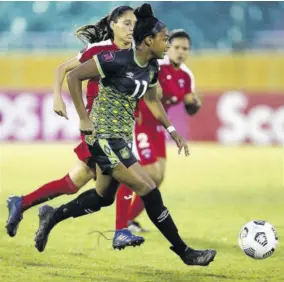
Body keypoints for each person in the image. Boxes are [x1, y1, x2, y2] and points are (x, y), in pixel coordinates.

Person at [34, 3, 216, 266]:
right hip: (101, 138)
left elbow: (153, 100)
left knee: (102, 198)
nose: (167, 44)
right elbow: (73, 76)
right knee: (148, 188)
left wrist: (172, 130)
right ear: (148, 40)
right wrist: (84, 119)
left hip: (121, 139)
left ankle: (52, 215)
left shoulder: (152, 67)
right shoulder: (114, 59)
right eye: (164, 39)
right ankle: (184, 252)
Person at [6, 5, 144, 249]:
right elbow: (63, 69)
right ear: (112, 24)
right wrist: (57, 97)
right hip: (98, 127)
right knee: (126, 172)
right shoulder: (98, 50)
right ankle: (121, 230)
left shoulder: (136, 54)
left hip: (119, 127)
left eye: (134, 24)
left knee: (77, 182)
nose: (131, 29)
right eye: (125, 23)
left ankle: (24, 203)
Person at [116, 29, 202, 233]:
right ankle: (122, 207)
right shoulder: (156, 66)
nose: (181, 52)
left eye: (185, 49)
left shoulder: (186, 75)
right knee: (149, 173)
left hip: (158, 127)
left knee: (158, 177)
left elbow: (190, 103)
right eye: (177, 47)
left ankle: (129, 219)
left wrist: (194, 104)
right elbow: (133, 86)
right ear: (167, 46)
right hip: (141, 122)